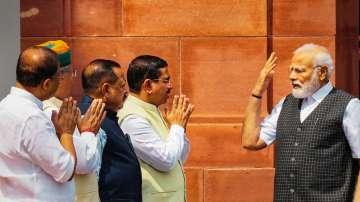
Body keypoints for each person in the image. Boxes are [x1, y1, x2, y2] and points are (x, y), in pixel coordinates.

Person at [242, 43, 360, 201]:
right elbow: (251, 141)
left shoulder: (349, 106)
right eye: (291, 69)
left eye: (299, 70)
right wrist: (257, 91)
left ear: (322, 72)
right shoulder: (285, 104)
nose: (291, 76)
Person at [0, 46, 79, 201]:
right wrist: (66, 132)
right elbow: (65, 170)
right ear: (46, 84)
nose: (60, 82)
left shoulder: (5, 105)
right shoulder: (31, 118)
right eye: (59, 78)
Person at [118, 55, 194, 202]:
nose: (170, 86)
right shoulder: (132, 118)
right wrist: (177, 127)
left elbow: (179, 158)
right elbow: (166, 160)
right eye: (165, 81)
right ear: (148, 86)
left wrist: (179, 128)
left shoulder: (152, 110)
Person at [39, 40, 106, 202]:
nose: (73, 78)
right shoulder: (52, 112)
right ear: (60, 77)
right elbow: (84, 163)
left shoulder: (63, 107)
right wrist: (89, 132)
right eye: (72, 73)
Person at [80, 59, 142, 202]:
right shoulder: (90, 118)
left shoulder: (105, 114)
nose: (125, 91)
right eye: (121, 86)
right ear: (106, 89)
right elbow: (89, 166)